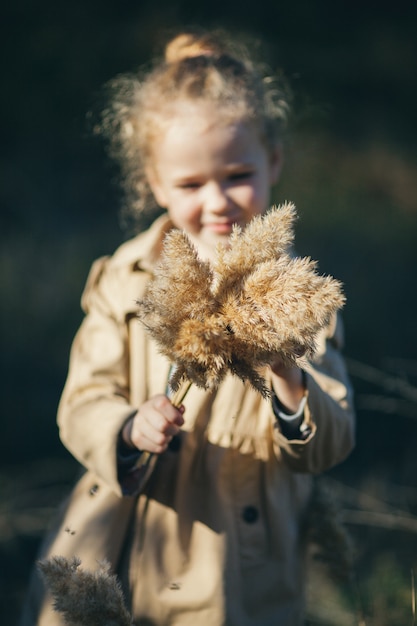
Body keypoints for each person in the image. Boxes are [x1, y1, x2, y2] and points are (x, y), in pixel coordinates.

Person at [22, 28, 355, 626]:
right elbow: (82, 402)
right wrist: (127, 426)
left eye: (235, 174)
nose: (218, 201)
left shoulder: (300, 295)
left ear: (273, 161)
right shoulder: (123, 278)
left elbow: (331, 440)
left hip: (241, 563)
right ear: (155, 183)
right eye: (191, 185)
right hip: (125, 543)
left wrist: (287, 374)